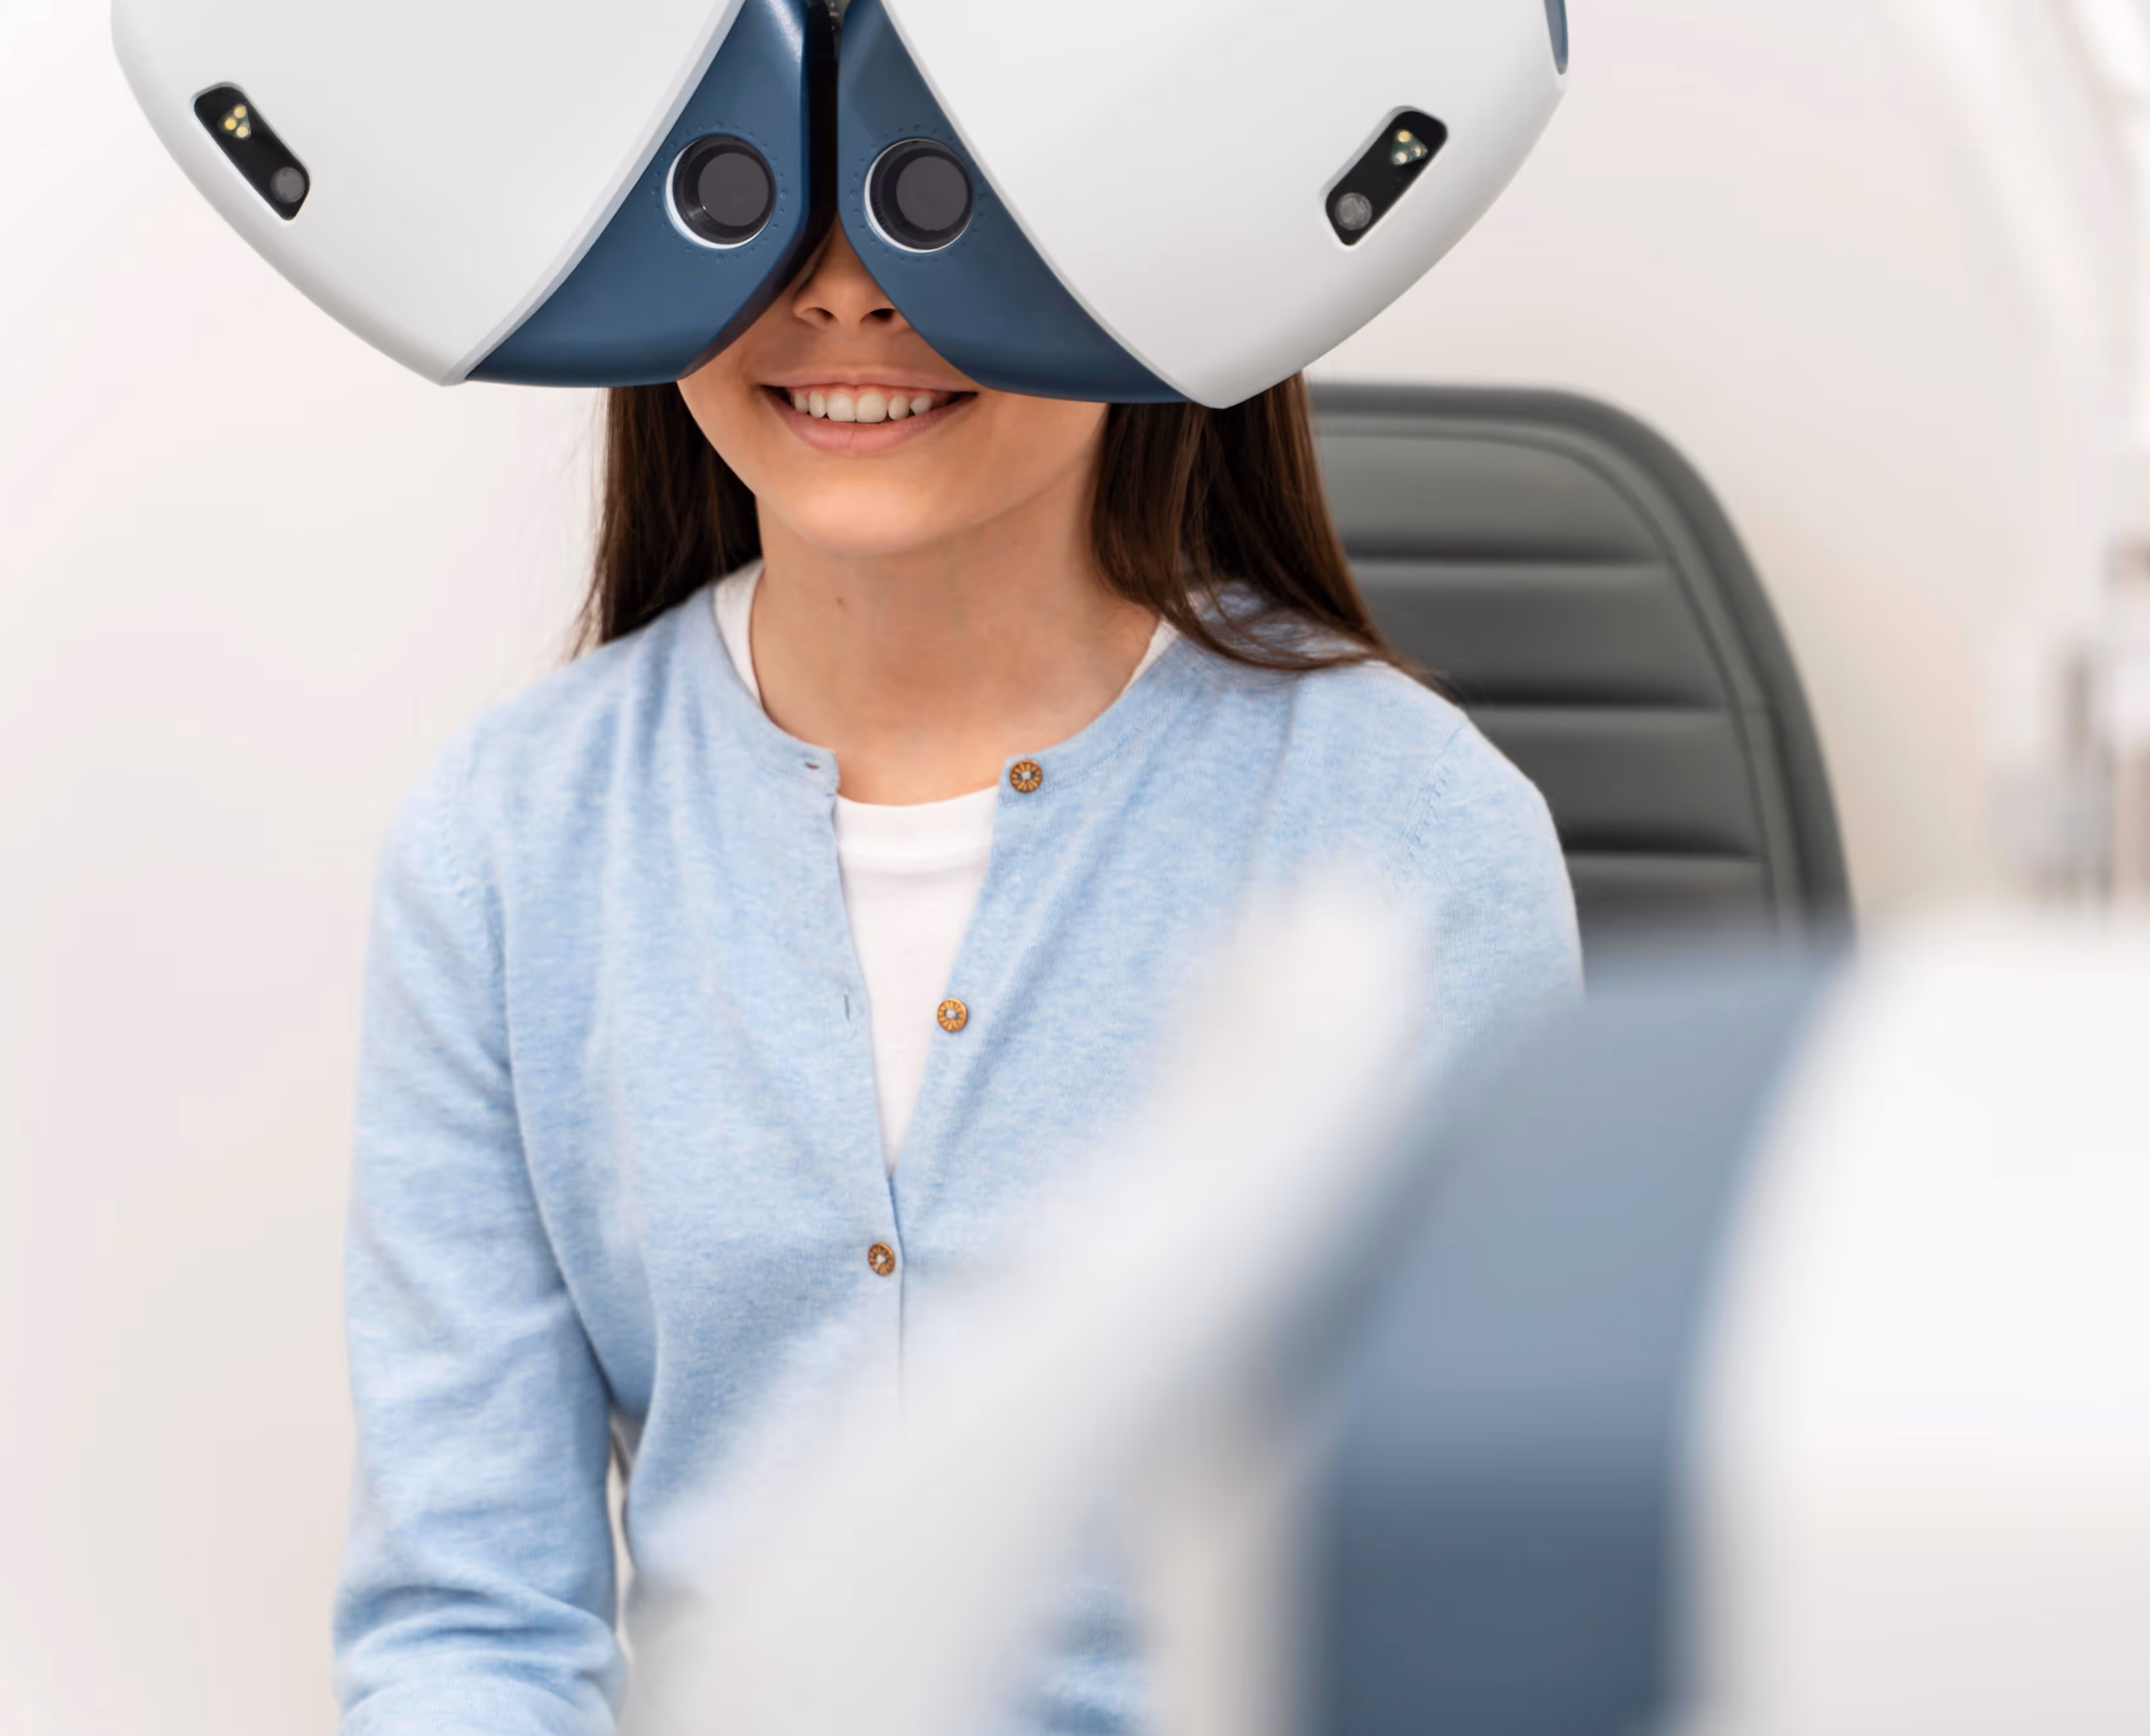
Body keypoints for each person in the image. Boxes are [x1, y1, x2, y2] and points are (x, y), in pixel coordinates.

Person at [327, 222, 1582, 1736]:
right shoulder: (505, 841)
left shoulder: (1413, 832)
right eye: (760, 194)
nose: (843, 289)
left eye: (935, 194)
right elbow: (471, 1628)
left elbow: (1483, 1629)